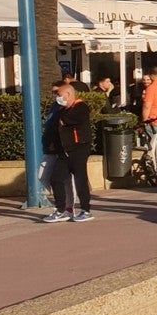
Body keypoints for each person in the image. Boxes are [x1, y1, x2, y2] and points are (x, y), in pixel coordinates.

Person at [42, 81, 93, 223]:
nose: (57, 98)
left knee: (80, 179)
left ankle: (85, 210)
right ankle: (61, 210)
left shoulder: (81, 107)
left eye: (59, 94)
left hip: (79, 149)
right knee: (56, 179)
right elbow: (57, 127)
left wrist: (62, 120)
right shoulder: (62, 110)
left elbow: (70, 121)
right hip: (64, 152)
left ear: (68, 94)